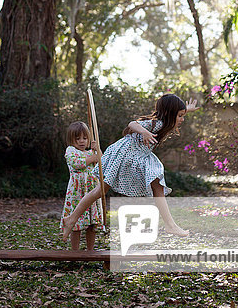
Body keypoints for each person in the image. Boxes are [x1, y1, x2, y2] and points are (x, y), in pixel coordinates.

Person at [62, 94, 198, 242]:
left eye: (182, 115)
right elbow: (132, 124)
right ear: (169, 114)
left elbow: (172, 115)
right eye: (179, 116)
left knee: (157, 185)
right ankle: (71, 218)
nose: (182, 119)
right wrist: (144, 132)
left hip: (135, 155)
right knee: (100, 190)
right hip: (124, 154)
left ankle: (170, 224)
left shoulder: (165, 123)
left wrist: (187, 109)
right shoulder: (156, 123)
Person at [60, 121, 105, 251]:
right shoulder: (71, 150)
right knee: (76, 223)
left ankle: (90, 251)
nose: (81, 141)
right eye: (77, 138)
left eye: (85, 138)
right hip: (77, 192)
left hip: (91, 191)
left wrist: (98, 150)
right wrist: (93, 157)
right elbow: (76, 164)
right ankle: (75, 251)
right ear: (71, 139)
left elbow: (102, 164)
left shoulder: (91, 152)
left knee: (92, 223)